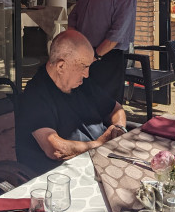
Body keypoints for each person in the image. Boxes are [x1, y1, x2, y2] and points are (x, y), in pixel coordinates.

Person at [15, 30, 128, 177]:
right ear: (61, 66)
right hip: (65, 175)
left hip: (100, 161)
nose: (86, 74)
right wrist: (99, 145)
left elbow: (116, 109)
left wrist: (118, 128)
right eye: (83, 66)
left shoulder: (82, 83)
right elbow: (55, 148)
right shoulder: (35, 94)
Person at [67, 0, 136, 103]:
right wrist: (94, 56)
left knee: (83, 99)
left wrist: (77, 47)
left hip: (83, 52)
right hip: (107, 56)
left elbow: (72, 19)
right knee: (107, 105)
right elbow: (116, 36)